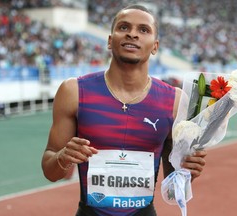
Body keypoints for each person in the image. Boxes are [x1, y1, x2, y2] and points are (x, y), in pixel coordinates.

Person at [41, 4, 207, 216]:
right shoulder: (73, 91)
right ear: (110, 40)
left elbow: (174, 189)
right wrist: (63, 157)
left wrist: (188, 171)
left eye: (143, 30)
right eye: (124, 27)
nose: (132, 34)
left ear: (155, 46)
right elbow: (51, 171)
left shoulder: (174, 100)